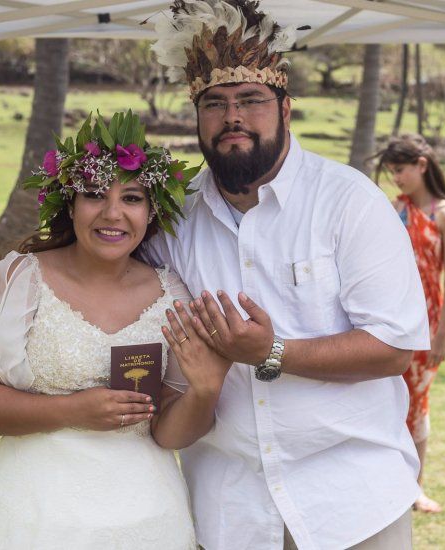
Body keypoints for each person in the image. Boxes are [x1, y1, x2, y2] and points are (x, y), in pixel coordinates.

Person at [144, 2, 430, 548]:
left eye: (251, 100)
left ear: (285, 109)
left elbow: (395, 347)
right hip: (226, 510)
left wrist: (272, 352)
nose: (233, 117)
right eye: (215, 103)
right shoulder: (172, 222)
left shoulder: (349, 202)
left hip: (350, 503)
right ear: (197, 114)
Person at [0, 112, 229, 548]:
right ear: (70, 203)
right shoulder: (23, 279)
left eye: (132, 198)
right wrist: (70, 411)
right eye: (95, 194)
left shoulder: (171, 294)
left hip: (146, 514)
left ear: (152, 209)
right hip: (35, 512)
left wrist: (205, 392)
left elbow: (168, 431)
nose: (112, 213)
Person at [374, 134, 445, 514]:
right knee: (389, 400)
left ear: (421, 166)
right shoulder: (395, 209)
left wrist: (442, 333)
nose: (396, 178)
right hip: (394, 318)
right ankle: (388, 482)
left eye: (400, 170)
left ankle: (415, 487)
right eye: (391, 171)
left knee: (418, 403)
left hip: (429, 323)